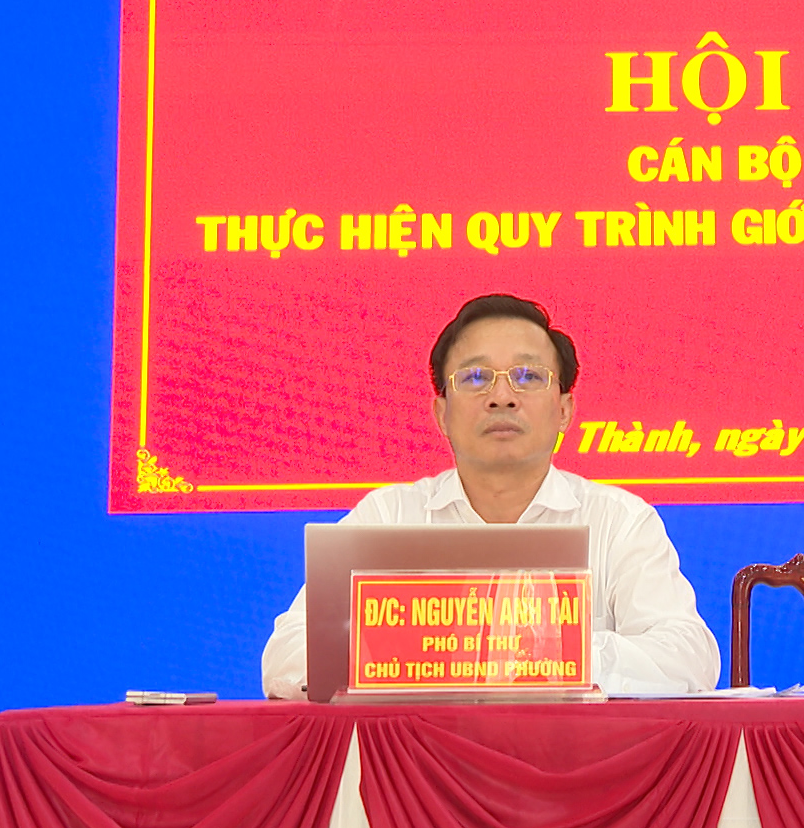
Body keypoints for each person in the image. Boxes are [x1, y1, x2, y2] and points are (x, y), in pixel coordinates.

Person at [262, 293, 721, 697]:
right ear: (441, 414)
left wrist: (546, 653)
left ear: (564, 410)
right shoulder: (387, 516)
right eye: (476, 377)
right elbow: (287, 656)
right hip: (417, 760)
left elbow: (688, 657)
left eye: (528, 376)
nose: (502, 396)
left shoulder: (619, 521)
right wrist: (444, 650)